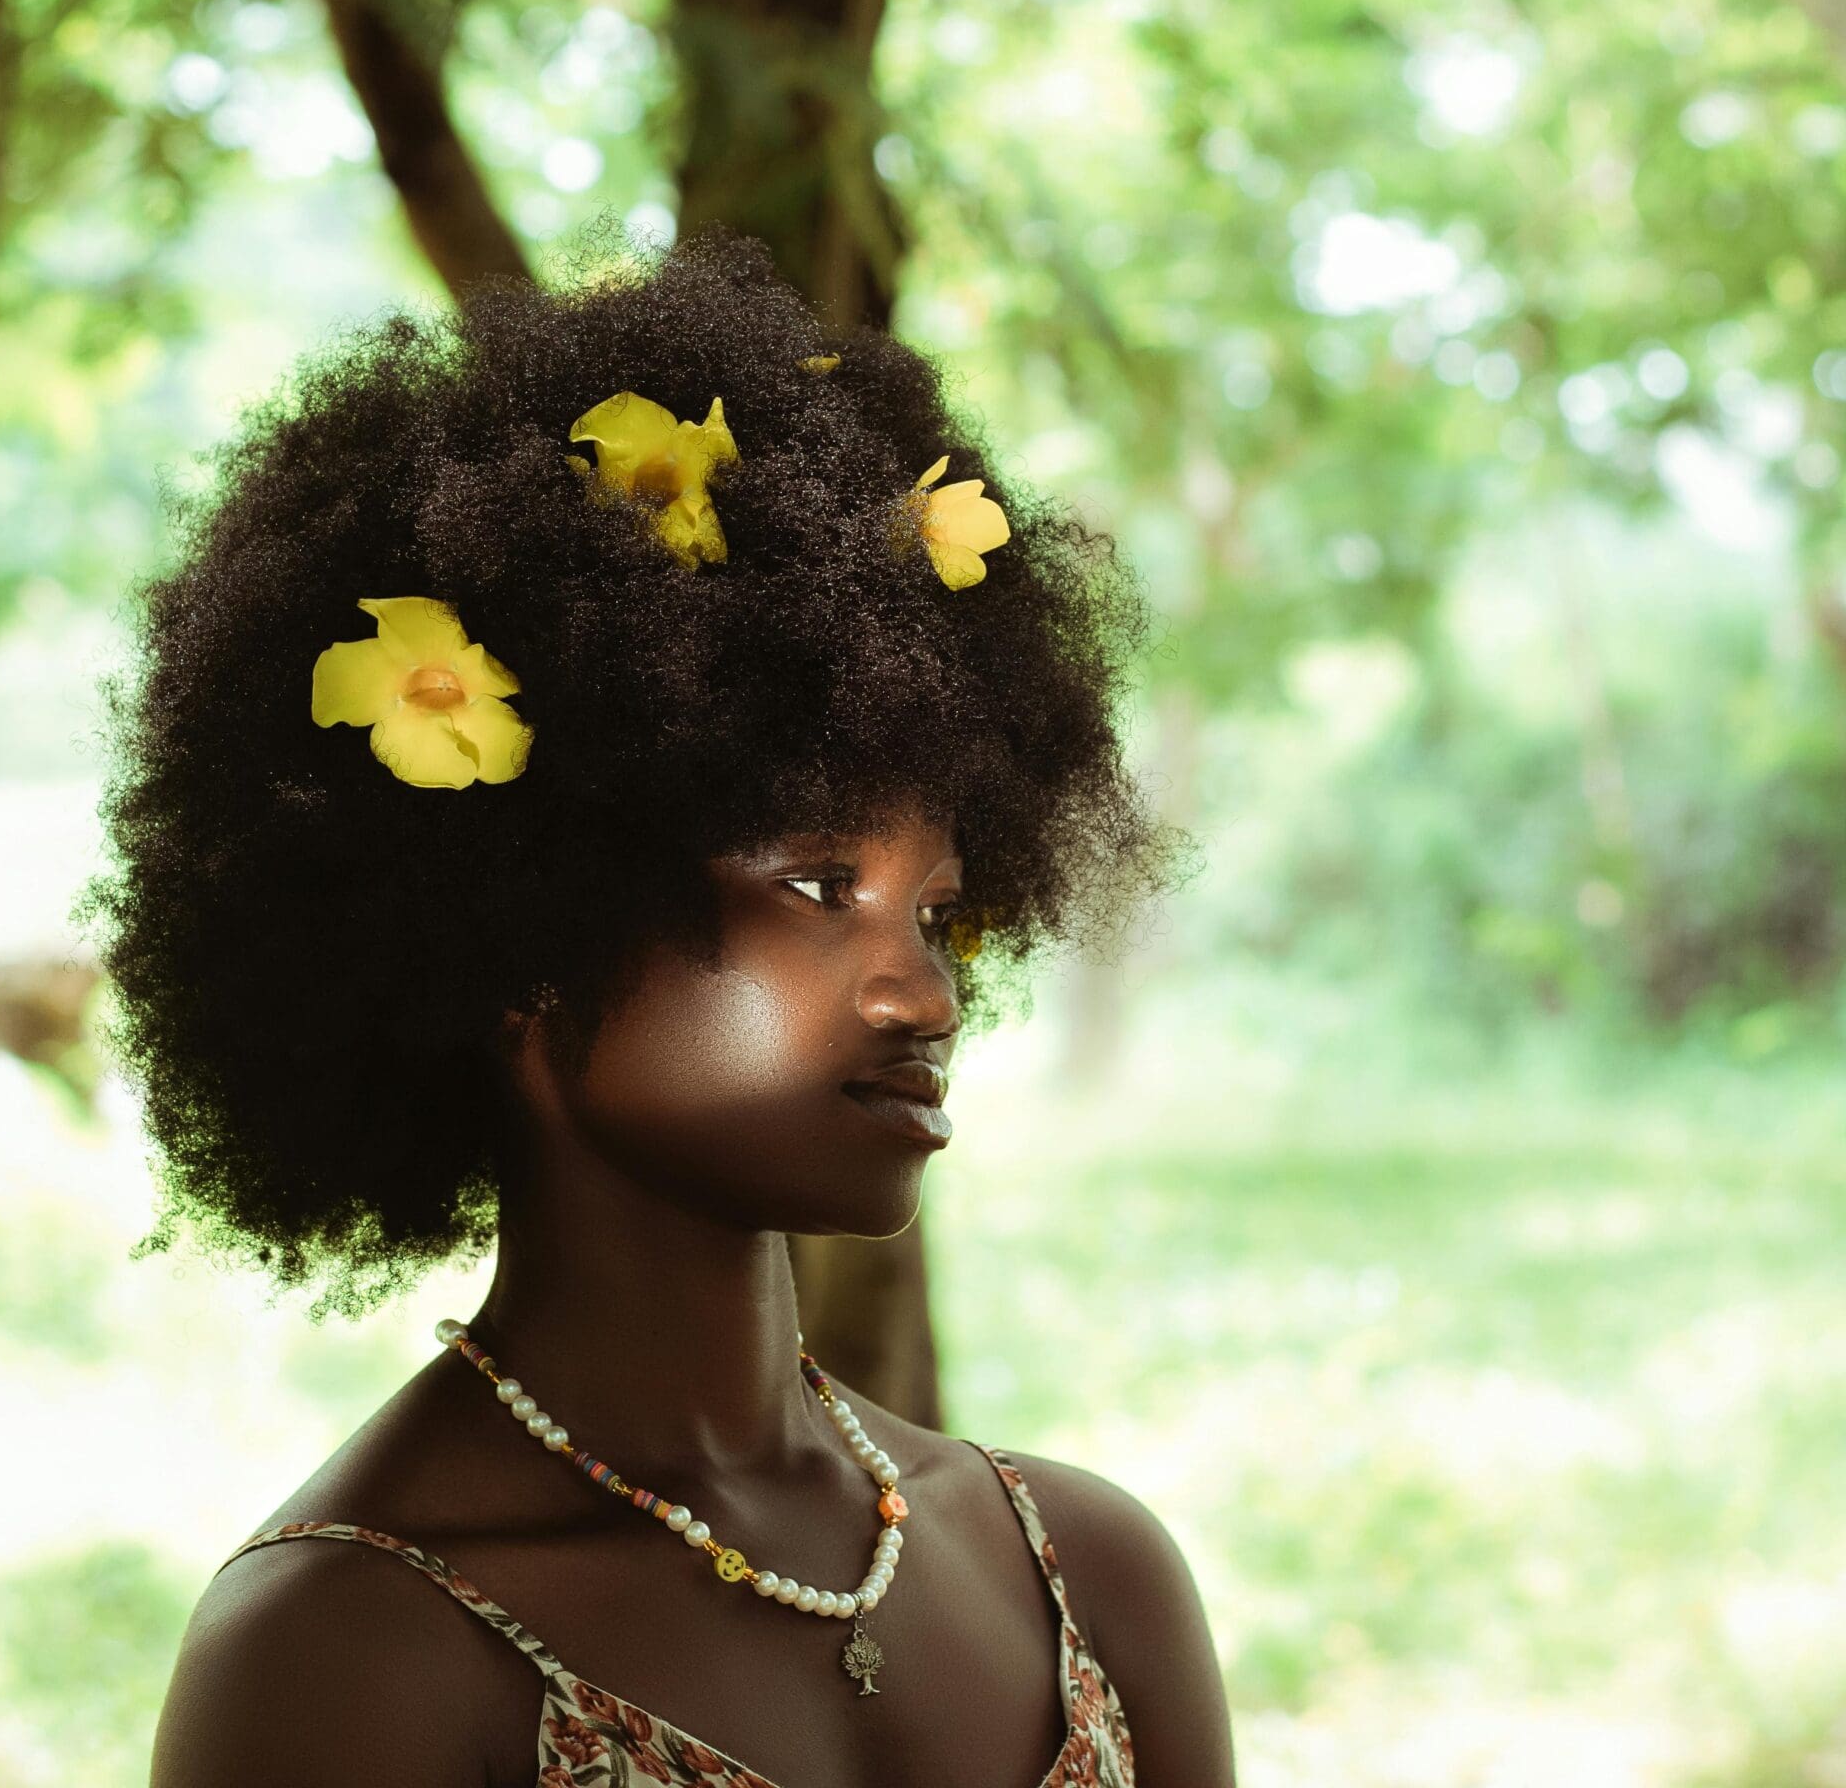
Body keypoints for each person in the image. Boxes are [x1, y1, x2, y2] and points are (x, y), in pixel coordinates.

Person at [92, 225, 1235, 1787]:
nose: (924, 992)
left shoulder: (1091, 1580)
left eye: (940, 911)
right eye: (820, 886)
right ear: (523, 928)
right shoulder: (344, 1659)